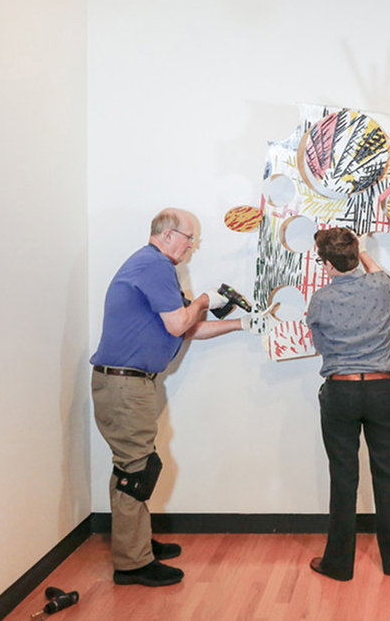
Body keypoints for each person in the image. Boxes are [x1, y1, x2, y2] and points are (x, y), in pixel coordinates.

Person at [91, 208, 254, 587]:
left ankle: (136, 543)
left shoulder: (152, 266)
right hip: (125, 385)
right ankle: (133, 564)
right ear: (167, 235)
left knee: (135, 467)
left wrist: (243, 323)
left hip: (129, 384)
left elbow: (186, 330)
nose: (192, 246)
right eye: (189, 238)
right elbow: (183, 321)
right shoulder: (154, 266)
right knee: (136, 472)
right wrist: (201, 299)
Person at [305, 227, 390, 581]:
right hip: (383, 391)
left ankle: (338, 563)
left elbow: (321, 347)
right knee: (388, 473)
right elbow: (382, 275)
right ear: (356, 254)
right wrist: (362, 250)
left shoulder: (320, 300)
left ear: (325, 263)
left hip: (341, 392)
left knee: (343, 477)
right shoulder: (381, 286)